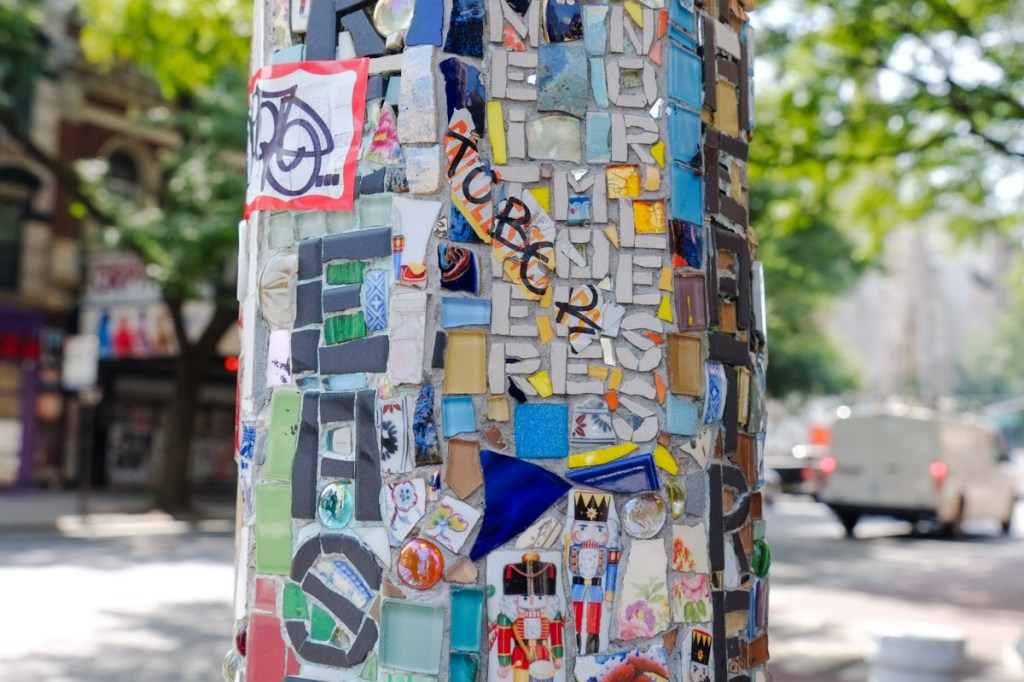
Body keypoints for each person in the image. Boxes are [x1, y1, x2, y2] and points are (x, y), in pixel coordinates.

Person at [564, 490, 620, 654]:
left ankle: (592, 644)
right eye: (583, 527)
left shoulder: (608, 551)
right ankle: (575, 642)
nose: (591, 534)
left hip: (597, 589)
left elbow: (611, 573)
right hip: (577, 588)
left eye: (599, 528)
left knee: (594, 619)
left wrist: (609, 596)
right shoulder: (570, 548)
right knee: (576, 615)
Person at [496, 552, 565, 682]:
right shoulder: (508, 619)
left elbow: (556, 637)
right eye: (525, 598)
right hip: (520, 658)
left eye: (539, 598)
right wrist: (504, 663)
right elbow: (503, 639)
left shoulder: (552, 615)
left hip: (542, 657)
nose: (532, 602)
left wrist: (558, 656)